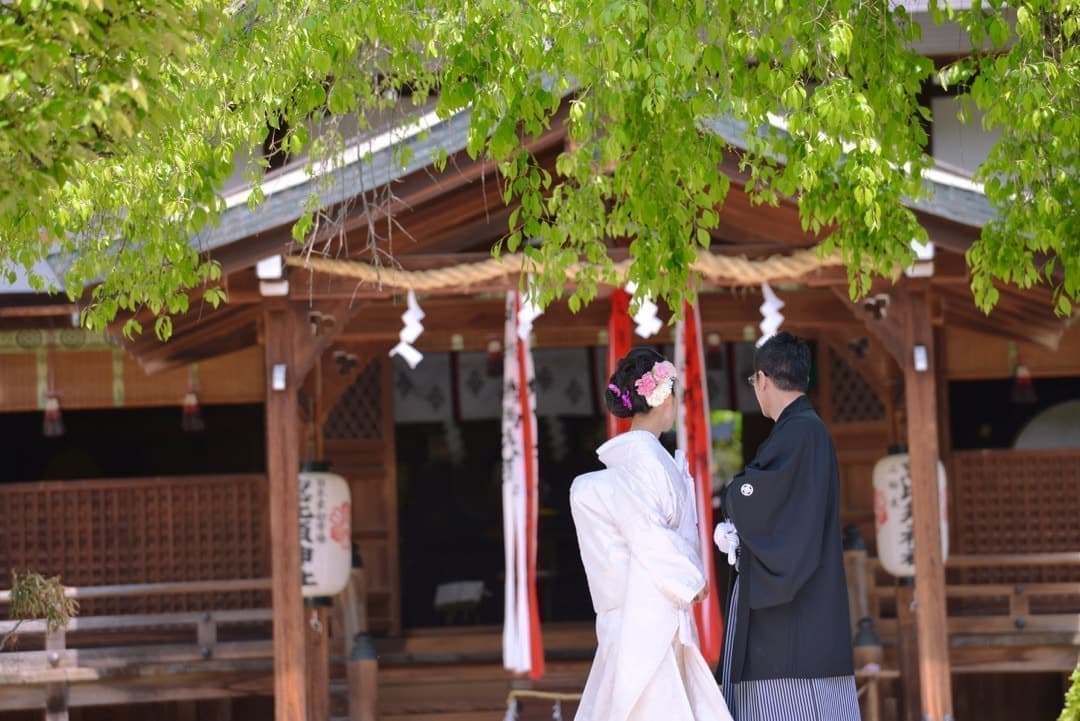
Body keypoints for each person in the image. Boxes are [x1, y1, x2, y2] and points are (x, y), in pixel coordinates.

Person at [570, 347, 733, 721]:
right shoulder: (647, 462)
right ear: (663, 398)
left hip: (642, 608)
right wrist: (691, 578)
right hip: (648, 611)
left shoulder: (640, 459)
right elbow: (646, 533)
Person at [714, 332, 860, 721]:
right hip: (810, 602)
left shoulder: (799, 432)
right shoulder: (807, 430)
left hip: (790, 618)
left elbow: (757, 497)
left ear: (762, 378)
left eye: (753, 383)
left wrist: (732, 498)